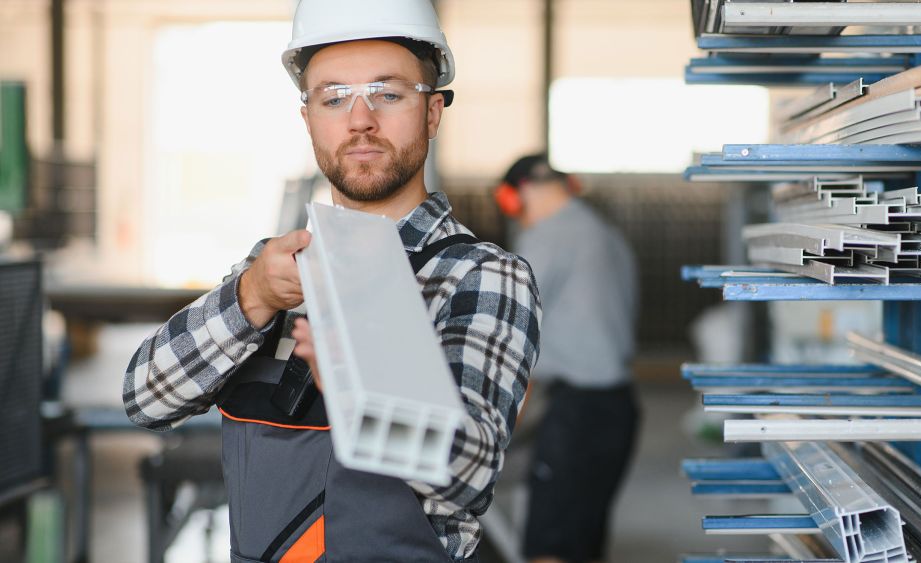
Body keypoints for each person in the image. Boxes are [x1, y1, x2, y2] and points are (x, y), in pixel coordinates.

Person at [122, 2, 542, 561]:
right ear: (308, 118)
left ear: (433, 112)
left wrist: (369, 378)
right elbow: (145, 400)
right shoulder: (275, 271)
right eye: (334, 96)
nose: (360, 118)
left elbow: (471, 473)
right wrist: (252, 298)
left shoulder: (480, 275)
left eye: (388, 94)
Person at [494, 154, 640, 563]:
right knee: (582, 541)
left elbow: (510, 329)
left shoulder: (548, 237)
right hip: (617, 410)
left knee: (549, 547)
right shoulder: (605, 233)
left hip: (578, 416)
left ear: (518, 194)